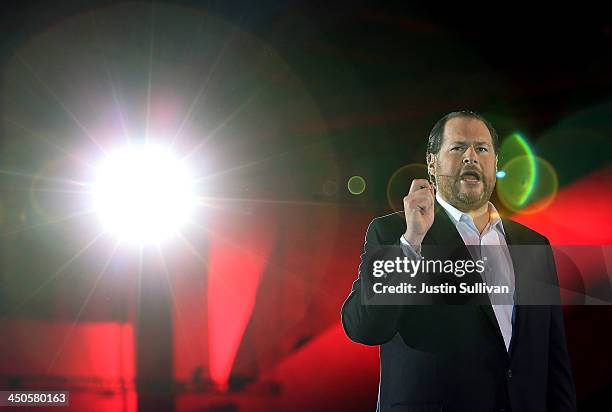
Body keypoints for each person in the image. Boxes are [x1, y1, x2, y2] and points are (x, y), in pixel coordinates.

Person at [341, 111, 577, 412]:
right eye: (457, 147)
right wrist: (412, 242)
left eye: (482, 149)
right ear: (432, 163)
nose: (471, 157)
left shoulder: (533, 244)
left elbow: (554, 360)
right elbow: (365, 327)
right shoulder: (393, 232)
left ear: (495, 162)